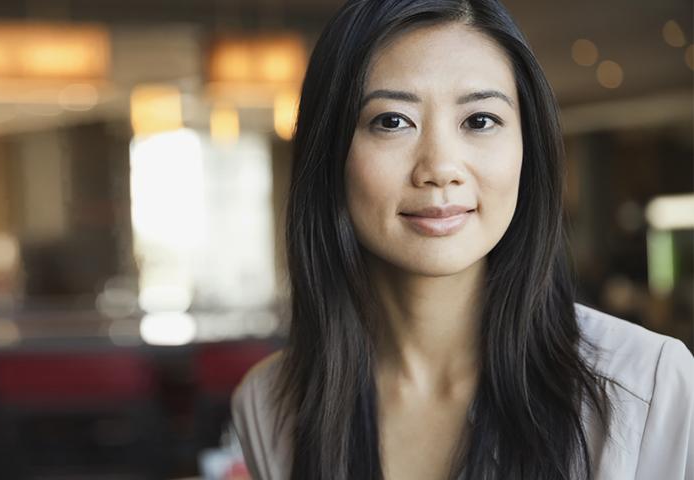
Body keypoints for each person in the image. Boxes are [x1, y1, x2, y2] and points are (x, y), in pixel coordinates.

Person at [230, 0, 694, 479]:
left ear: (526, 148)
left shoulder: (646, 387)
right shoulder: (273, 406)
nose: (439, 168)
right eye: (392, 121)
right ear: (330, 154)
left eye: (479, 121)